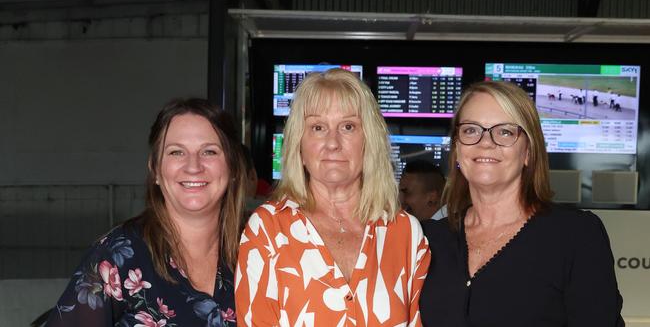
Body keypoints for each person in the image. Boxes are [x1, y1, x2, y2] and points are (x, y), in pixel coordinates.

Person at [235, 68, 431, 326]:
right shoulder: (267, 229)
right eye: (318, 127)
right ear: (300, 146)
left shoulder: (405, 232)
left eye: (348, 127)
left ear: (368, 142)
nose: (333, 142)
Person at [419, 81, 623, 327]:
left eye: (505, 131)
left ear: (528, 151)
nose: (486, 142)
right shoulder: (428, 240)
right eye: (471, 130)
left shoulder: (575, 236)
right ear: (457, 148)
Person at [46, 98, 246, 326]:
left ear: (233, 168)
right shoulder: (118, 257)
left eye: (209, 152)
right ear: (156, 170)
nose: (193, 166)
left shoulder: (258, 251)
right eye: (176, 152)